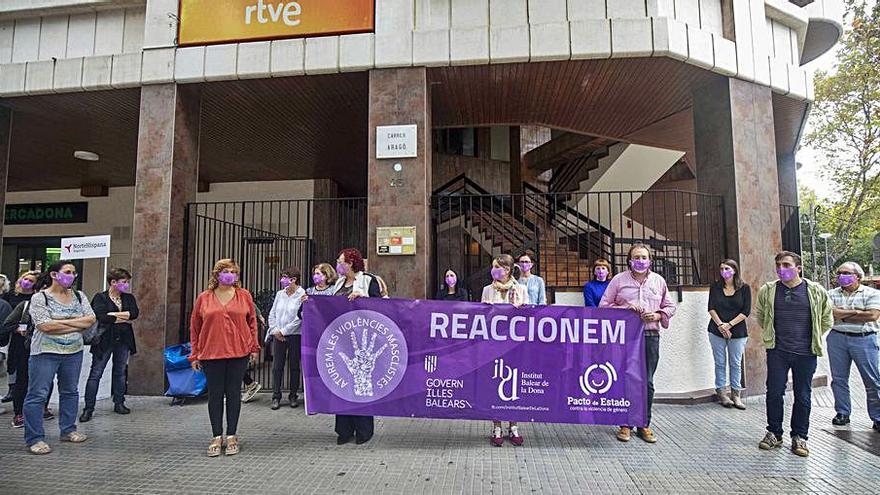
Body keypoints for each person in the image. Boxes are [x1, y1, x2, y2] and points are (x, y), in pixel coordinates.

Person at [755, 251, 833, 457]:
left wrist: (813, 337)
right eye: (779, 265)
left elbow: (826, 318)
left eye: (787, 265)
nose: (782, 269)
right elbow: (762, 316)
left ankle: (800, 436)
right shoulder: (769, 290)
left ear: (798, 268)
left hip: (805, 352)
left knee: (803, 394)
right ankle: (774, 433)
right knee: (773, 392)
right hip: (778, 350)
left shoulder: (815, 291)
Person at [600, 243, 676, 444]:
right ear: (629, 260)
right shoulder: (618, 280)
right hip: (626, 338)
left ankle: (644, 423)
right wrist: (625, 308)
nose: (640, 261)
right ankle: (625, 423)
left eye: (644, 257)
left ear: (649, 260)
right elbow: (604, 306)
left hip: (650, 336)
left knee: (647, 382)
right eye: (636, 257)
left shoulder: (658, 281)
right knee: (626, 378)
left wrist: (658, 315)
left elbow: (670, 306)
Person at [24, 261, 96, 454]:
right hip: (45, 352)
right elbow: (44, 326)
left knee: (70, 391)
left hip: (73, 351)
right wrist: (76, 324)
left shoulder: (80, 296)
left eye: (74, 272)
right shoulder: (40, 298)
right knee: (37, 394)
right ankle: (35, 438)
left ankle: (68, 429)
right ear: (54, 275)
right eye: (67, 272)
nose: (72, 276)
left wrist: (60, 321)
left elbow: (90, 319)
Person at [189, 259, 260, 457]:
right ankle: (216, 435)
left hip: (238, 352)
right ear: (217, 274)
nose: (230, 274)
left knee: (234, 393)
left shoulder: (244, 296)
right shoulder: (204, 298)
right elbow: (195, 327)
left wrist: (254, 347)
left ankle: (231, 435)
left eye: (233, 271)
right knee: (215, 394)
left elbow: (252, 322)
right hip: (211, 353)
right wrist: (194, 354)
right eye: (226, 271)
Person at [331, 248, 383, 445]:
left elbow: (381, 308)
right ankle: (343, 430)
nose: (338, 264)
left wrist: (363, 297)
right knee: (342, 385)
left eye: (340, 261)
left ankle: (363, 430)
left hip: (362, 341)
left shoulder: (368, 280)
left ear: (351, 263)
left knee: (360, 386)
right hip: (341, 342)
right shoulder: (338, 283)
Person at [826, 262, 880, 432]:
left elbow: (872, 315)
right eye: (839, 273)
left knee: (872, 380)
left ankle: (877, 416)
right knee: (839, 378)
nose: (842, 276)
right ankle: (842, 412)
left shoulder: (872, 293)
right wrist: (857, 312)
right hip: (837, 339)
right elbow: (829, 313)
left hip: (864, 339)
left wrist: (843, 315)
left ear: (858, 276)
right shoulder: (830, 294)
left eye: (847, 272)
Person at [80, 268, 140, 422]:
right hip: (104, 339)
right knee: (96, 373)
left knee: (120, 372)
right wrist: (121, 316)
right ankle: (88, 408)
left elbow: (133, 314)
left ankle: (119, 402)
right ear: (113, 282)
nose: (126, 285)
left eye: (127, 282)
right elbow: (100, 316)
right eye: (123, 282)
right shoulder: (100, 297)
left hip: (124, 338)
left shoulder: (129, 298)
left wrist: (113, 315)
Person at [481, 254, 528, 447]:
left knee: (513, 384)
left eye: (497, 267)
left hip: (514, 344)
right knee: (495, 382)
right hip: (493, 344)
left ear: (507, 270)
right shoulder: (487, 290)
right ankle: (497, 426)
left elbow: (528, 315)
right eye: (493, 267)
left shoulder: (521, 289)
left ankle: (514, 425)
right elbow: (481, 315)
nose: (494, 271)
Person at [2, 272, 46, 428]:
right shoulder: (23, 304)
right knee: (22, 380)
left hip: (45, 348)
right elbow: (7, 324)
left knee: (42, 381)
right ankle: (19, 412)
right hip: (23, 347)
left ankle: (42, 408)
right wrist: (18, 329)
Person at [707, 259, 751, 410]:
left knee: (735, 363)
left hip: (737, 332)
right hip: (716, 330)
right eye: (721, 268)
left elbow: (746, 311)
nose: (724, 271)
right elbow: (711, 307)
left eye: (727, 268)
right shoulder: (716, 287)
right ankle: (721, 392)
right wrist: (720, 325)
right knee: (720, 362)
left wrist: (729, 325)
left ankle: (736, 394)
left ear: (734, 270)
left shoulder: (744, 288)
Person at [266, 267, 306, 410]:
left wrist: (284, 331)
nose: (282, 280)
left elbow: (299, 318)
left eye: (284, 277)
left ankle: (293, 395)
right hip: (278, 335)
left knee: (294, 366)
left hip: (295, 335)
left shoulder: (302, 294)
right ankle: (276, 396)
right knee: (277, 366)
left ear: (293, 279)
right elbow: (273, 313)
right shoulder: (280, 294)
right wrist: (275, 330)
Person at [240, 303, 264, 404]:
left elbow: (251, 305)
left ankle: (250, 384)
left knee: (234, 365)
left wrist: (259, 316)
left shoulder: (241, 295)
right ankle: (249, 384)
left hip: (239, 335)